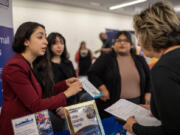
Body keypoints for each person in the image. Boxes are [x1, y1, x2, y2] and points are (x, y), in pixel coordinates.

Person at [0, 22, 82, 135]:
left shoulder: (30, 64)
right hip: (17, 127)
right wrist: (67, 93)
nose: (46, 41)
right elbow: (35, 105)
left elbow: (42, 94)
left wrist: (64, 85)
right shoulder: (15, 66)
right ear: (26, 41)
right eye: (40, 37)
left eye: (45, 37)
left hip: (31, 125)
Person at [123, 2, 180, 135]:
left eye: (139, 37)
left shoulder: (163, 68)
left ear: (148, 35)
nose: (138, 43)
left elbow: (172, 131)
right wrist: (157, 109)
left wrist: (134, 127)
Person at [88, 31, 151, 119]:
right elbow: (92, 74)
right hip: (114, 103)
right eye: (119, 40)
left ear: (132, 45)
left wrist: (148, 92)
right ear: (114, 44)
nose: (122, 43)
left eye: (125, 41)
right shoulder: (105, 58)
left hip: (138, 102)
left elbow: (149, 77)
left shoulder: (140, 59)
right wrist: (102, 88)